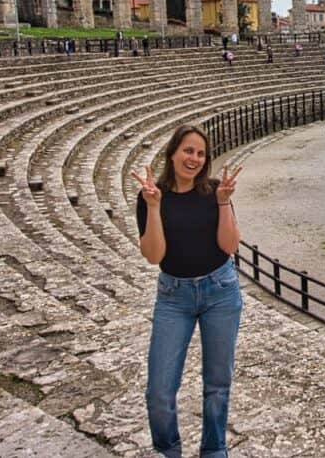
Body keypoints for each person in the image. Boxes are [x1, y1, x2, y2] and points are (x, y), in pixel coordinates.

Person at [130, 125, 243, 458]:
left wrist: (224, 203)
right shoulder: (151, 195)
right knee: (159, 392)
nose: (194, 158)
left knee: (217, 385)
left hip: (220, 291)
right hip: (173, 296)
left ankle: (214, 450)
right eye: (188, 151)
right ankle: (168, 451)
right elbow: (154, 256)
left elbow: (230, 245)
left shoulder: (213, 192)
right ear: (173, 153)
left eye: (200, 153)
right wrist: (153, 208)